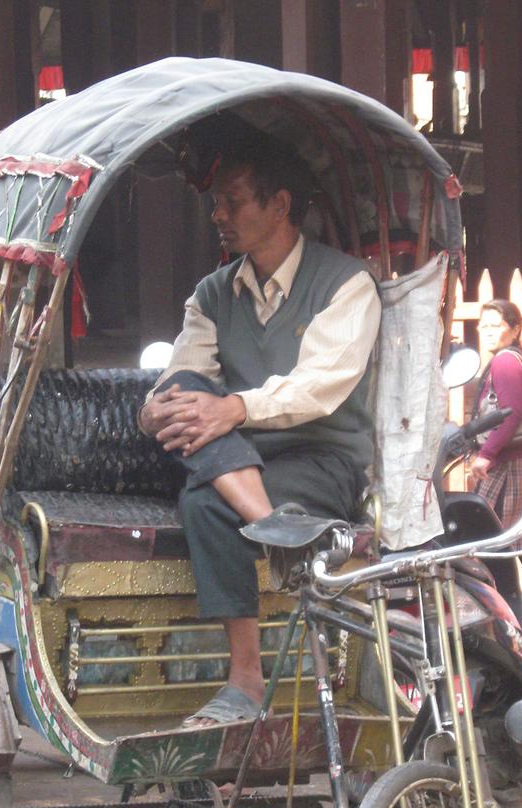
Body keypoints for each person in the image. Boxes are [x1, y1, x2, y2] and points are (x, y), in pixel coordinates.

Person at [139, 139, 381, 725]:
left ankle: (246, 678)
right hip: (240, 450)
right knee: (187, 398)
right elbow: (182, 374)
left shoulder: (346, 284)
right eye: (217, 204)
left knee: (203, 497)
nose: (219, 215)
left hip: (322, 456)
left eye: (233, 202)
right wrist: (154, 410)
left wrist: (234, 409)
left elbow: (322, 385)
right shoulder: (213, 293)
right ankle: (272, 541)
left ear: (279, 205)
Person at [471, 300, 522, 636]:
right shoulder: (518, 358)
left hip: (512, 465)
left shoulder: (505, 362)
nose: (487, 331)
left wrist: (486, 454)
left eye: (495, 325)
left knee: (493, 538)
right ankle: (502, 620)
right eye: (483, 325)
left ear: (515, 328)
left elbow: (510, 412)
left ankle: (496, 622)